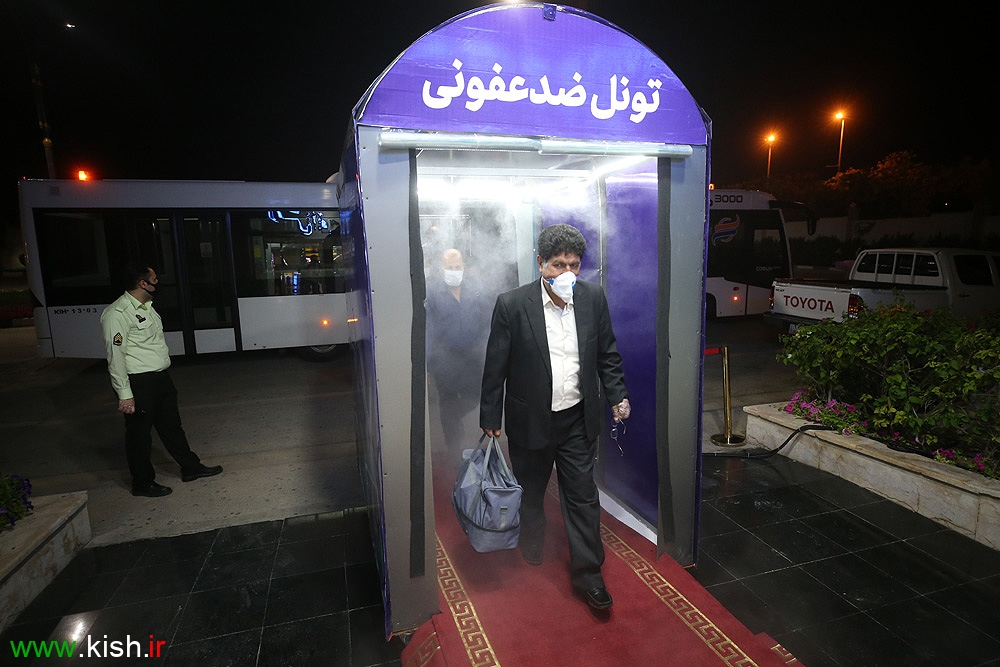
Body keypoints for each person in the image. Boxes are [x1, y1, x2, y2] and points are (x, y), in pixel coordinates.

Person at [480, 224, 630, 611]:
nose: (567, 273)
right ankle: (532, 538)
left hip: (577, 419)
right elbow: (495, 366)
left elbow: (607, 353)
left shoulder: (592, 298)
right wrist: (490, 415)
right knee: (530, 491)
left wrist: (617, 395)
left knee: (582, 496)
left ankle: (589, 575)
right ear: (540, 263)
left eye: (574, 265)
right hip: (531, 419)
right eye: (558, 265)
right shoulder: (513, 305)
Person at [100, 262, 222, 497]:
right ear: (142, 283)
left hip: (160, 378)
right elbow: (115, 356)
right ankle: (142, 483)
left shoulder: (148, 307)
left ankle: (191, 467)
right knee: (139, 436)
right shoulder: (117, 314)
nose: (158, 282)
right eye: (154, 279)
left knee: (172, 426)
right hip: (139, 382)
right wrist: (125, 394)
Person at [426, 248, 491, 451]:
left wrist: (490, 350)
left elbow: (486, 320)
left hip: (472, 356)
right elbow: (428, 328)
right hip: (444, 359)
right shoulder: (432, 292)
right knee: (447, 401)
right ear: (441, 269)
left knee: (476, 396)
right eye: (450, 267)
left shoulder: (475, 286)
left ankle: (453, 417)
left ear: (463, 267)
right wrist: (427, 364)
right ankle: (453, 447)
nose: (454, 271)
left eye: (457, 267)